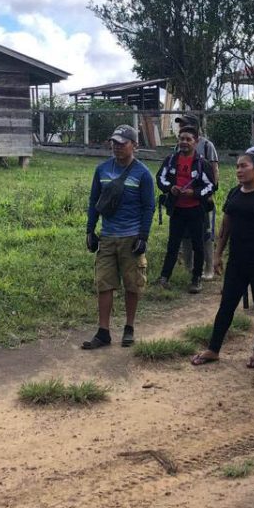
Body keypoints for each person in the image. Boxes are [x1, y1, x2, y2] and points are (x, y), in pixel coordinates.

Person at [192, 153, 254, 368]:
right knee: (227, 305)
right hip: (237, 261)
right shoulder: (234, 193)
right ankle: (214, 349)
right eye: (237, 166)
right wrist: (217, 254)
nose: (239, 170)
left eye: (244, 166)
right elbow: (225, 228)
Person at [84, 125, 156, 349]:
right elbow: (94, 201)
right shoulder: (102, 170)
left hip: (131, 237)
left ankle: (129, 327)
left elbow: (148, 207)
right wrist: (90, 230)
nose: (116, 147)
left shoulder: (142, 173)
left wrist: (143, 236)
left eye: (122, 143)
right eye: (114, 143)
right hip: (107, 237)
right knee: (104, 283)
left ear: (134, 145)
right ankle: (103, 331)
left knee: (132, 284)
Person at [156, 126, 216, 294]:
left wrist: (195, 193)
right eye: (182, 138)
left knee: (198, 245)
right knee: (173, 245)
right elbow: (160, 178)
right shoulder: (171, 160)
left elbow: (211, 186)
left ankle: (196, 278)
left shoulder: (202, 164)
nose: (184, 142)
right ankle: (164, 277)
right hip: (177, 210)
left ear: (196, 142)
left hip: (196, 210)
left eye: (188, 139)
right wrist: (170, 188)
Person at [175, 116, 220, 280]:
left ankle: (209, 268)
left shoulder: (207, 145)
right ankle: (190, 267)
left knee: (205, 233)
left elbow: (214, 169)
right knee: (185, 234)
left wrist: (210, 193)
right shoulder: (179, 146)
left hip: (201, 197)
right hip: (182, 199)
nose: (181, 127)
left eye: (184, 124)